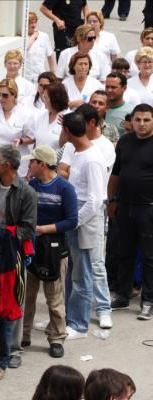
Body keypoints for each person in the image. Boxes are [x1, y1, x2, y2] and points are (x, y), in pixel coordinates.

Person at [0, 145, 37, 380]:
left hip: (9, 260)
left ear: (5, 165)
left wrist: (1, 234)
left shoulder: (26, 193)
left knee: (6, 308)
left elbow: (28, 229)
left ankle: (1, 360)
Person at [22, 146, 78, 358]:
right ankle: (23, 334)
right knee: (27, 295)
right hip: (31, 248)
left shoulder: (65, 188)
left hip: (55, 250)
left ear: (42, 164)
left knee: (54, 298)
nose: (30, 166)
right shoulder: (32, 185)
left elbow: (72, 221)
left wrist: (44, 229)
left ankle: (56, 337)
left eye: (32, 162)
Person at [61, 112, 111, 338]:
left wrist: (75, 221)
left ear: (69, 132)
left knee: (83, 273)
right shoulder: (77, 152)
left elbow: (94, 200)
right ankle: (70, 318)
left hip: (85, 217)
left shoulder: (93, 159)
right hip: (76, 213)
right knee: (73, 270)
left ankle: (79, 325)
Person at [108, 104, 153, 320]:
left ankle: (148, 301)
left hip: (149, 208)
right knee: (123, 253)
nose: (141, 124)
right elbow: (116, 173)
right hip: (124, 205)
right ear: (132, 121)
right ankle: (122, 295)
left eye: (146, 120)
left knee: (149, 256)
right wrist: (111, 200)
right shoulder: (125, 142)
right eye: (138, 120)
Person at [0, 79, 35, 177]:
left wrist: (21, 141)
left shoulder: (25, 113)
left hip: (17, 161)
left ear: (14, 95)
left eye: (5, 95)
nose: (1, 98)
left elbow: (32, 138)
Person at [32, 81, 70, 151]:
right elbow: (36, 142)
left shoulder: (69, 118)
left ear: (55, 100)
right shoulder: (42, 116)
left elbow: (66, 147)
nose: (43, 100)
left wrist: (64, 130)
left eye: (46, 98)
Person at [25, 12, 57, 84]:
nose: (33, 25)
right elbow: (25, 48)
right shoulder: (22, 37)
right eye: (30, 23)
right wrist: (33, 37)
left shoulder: (44, 36)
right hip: (26, 76)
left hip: (40, 76)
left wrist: (53, 74)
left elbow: (50, 56)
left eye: (34, 22)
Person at [104, 72, 135, 136]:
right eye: (107, 87)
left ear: (124, 88)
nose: (109, 90)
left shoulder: (131, 111)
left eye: (113, 87)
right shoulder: (99, 108)